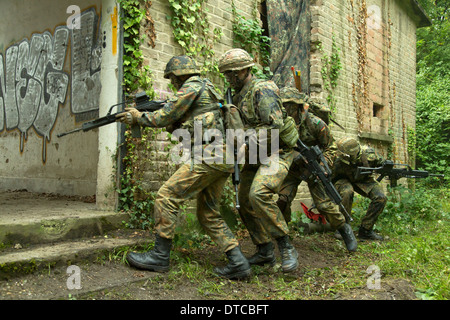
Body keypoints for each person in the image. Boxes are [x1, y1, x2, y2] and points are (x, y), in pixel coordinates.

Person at [115, 55, 251, 279]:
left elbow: (167, 114)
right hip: (222, 157)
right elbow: (181, 122)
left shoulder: (192, 86)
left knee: (166, 196)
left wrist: (139, 117)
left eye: (172, 79)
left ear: (179, 75)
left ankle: (160, 256)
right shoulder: (208, 87)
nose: (173, 84)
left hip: (210, 156)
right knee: (208, 214)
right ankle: (238, 262)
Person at [218, 48, 300, 273]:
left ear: (245, 70)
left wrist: (245, 140)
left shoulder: (262, 89)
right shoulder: (234, 95)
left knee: (258, 193)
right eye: (227, 74)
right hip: (254, 155)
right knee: (244, 201)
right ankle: (264, 250)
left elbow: (274, 126)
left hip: (277, 151)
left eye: (233, 73)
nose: (230, 78)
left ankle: (286, 247)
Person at [276, 87, 357, 252]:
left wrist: (322, 165)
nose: (286, 110)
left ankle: (344, 229)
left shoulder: (316, 124)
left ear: (298, 106)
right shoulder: (281, 125)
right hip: (292, 167)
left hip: (313, 167)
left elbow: (331, 147)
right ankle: (283, 235)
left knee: (324, 204)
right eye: (283, 106)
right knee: (282, 199)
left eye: (290, 106)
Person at [332, 137, 386, 240]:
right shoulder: (336, 158)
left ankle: (366, 230)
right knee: (347, 192)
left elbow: (382, 164)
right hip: (343, 179)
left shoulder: (370, 154)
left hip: (363, 180)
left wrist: (387, 169)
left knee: (380, 197)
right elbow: (328, 176)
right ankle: (343, 228)